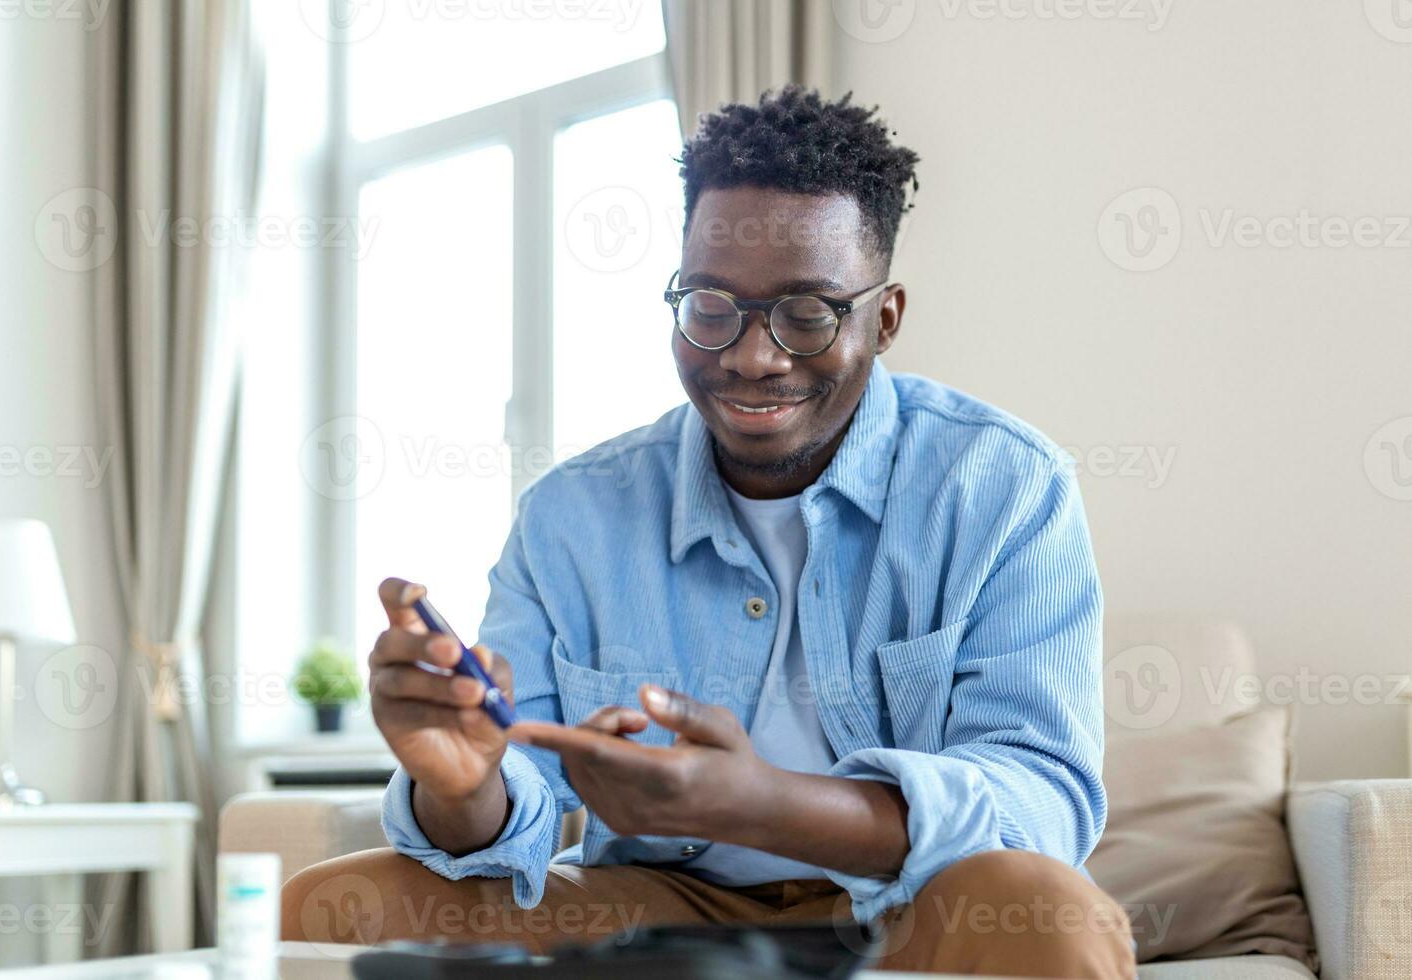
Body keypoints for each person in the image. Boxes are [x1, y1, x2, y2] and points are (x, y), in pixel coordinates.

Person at [283, 85, 1134, 978]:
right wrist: (464, 785)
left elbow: (1041, 802)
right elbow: (513, 810)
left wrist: (768, 806)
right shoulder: (571, 516)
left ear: (884, 320)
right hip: (655, 909)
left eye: (808, 314)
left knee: (1050, 914)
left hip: (906, 904)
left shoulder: (1003, 485)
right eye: (711, 305)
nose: (753, 355)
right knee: (335, 908)